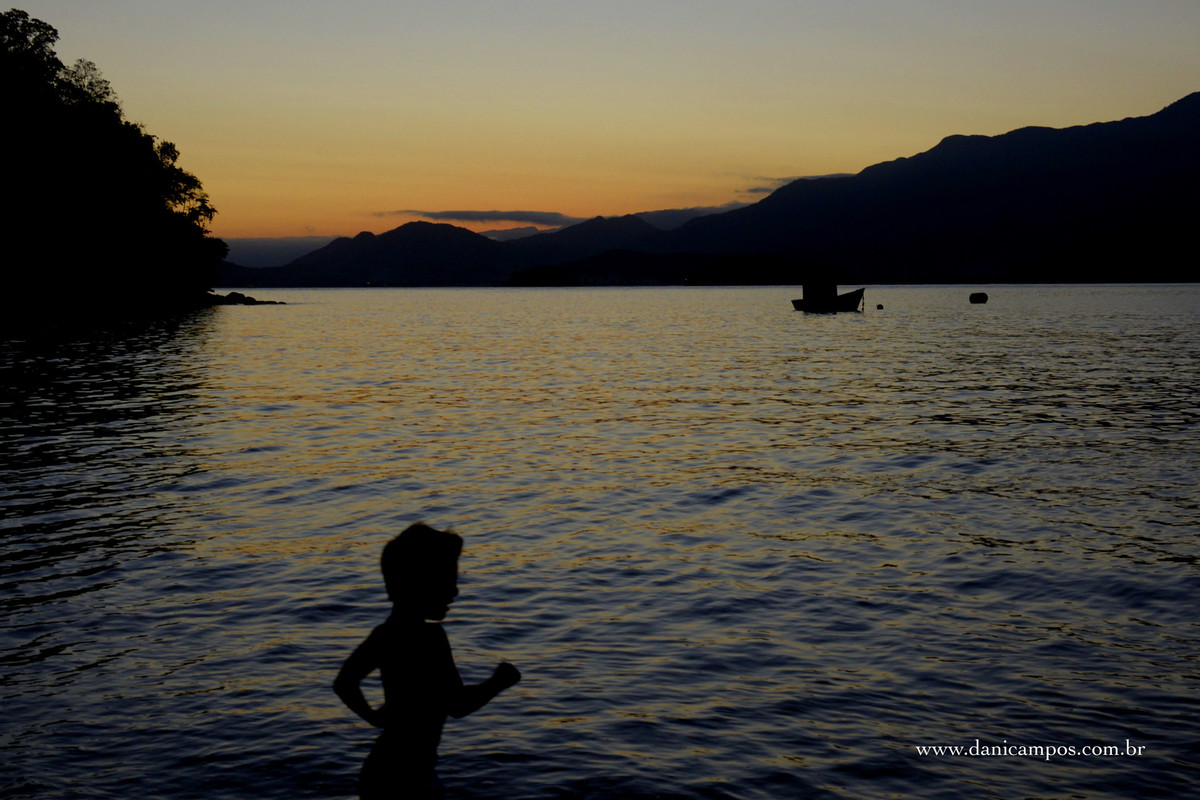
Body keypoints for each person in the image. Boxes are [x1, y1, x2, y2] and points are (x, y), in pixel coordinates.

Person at [335, 523, 521, 799]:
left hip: (383, 772)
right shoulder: (430, 638)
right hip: (408, 778)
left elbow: (344, 683)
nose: (455, 592)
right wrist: (499, 681)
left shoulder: (385, 633)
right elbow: (458, 705)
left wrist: (374, 718)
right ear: (420, 583)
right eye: (447, 581)